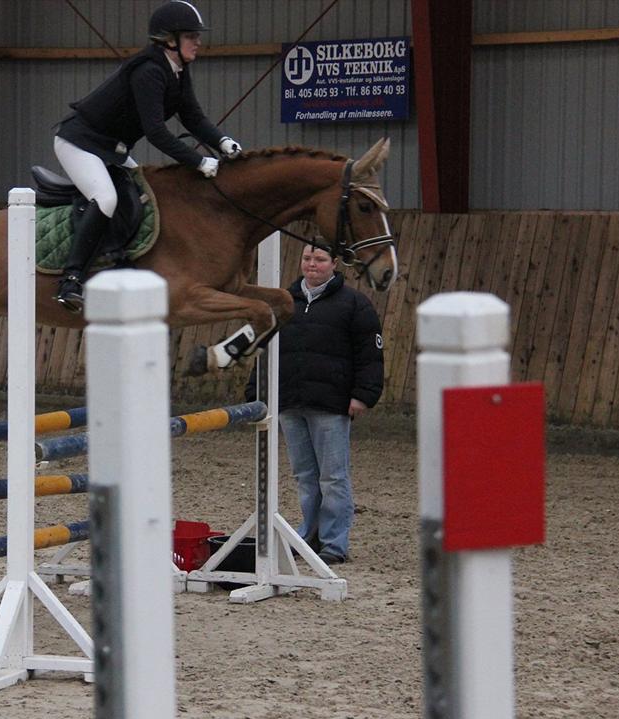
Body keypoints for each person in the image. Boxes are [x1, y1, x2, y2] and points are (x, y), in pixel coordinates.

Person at [50, 0, 242, 312]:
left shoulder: (177, 71)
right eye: (191, 36)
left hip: (112, 148)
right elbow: (155, 132)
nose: (198, 42)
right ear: (170, 40)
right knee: (107, 199)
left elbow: (193, 118)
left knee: (143, 196)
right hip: (80, 142)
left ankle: (117, 260)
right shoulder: (150, 72)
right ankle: (70, 280)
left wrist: (223, 142)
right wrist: (197, 161)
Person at [248, 238, 384, 565]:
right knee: (305, 476)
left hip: (331, 404)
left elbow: (370, 355)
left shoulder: (355, 304)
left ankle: (334, 543)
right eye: (308, 258)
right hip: (290, 402)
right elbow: (266, 347)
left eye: (320, 259)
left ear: (334, 264)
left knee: (333, 477)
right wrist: (256, 391)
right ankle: (309, 532)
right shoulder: (283, 302)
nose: (313, 264)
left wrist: (363, 396)